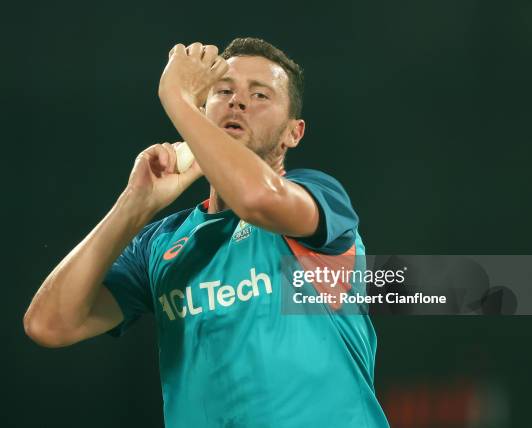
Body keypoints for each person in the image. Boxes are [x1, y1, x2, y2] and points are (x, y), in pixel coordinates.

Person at [24, 37, 389, 428]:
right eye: (224, 91)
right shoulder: (161, 243)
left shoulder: (319, 197)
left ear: (293, 133)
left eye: (260, 95)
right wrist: (134, 205)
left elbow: (256, 198)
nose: (238, 102)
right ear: (205, 112)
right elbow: (49, 324)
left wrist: (176, 98)